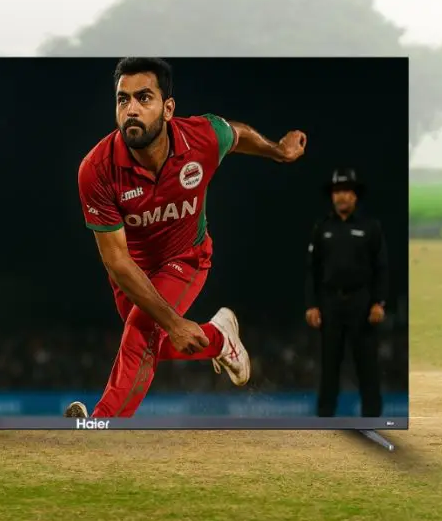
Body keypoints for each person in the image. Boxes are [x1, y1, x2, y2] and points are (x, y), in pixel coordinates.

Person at [65, 57, 308, 420]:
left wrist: (277, 151)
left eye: (143, 98)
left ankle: (102, 424)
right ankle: (220, 338)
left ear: (167, 108)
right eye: (122, 99)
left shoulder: (201, 137)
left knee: (140, 333)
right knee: (158, 342)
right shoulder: (96, 169)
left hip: (187, 257)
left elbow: (236, 134)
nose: (131, 109)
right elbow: (117, 262)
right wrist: (176, 324)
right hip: (133, 269)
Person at [304, 168, 388, 417]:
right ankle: (324, 423)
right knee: (329, 367)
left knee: (367, 367)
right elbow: (311, 270)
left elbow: (381, 268)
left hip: (362, 304)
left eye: (346, 191)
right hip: (330, 304)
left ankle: (374, 422)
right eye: (337, 191)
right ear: (332, 196)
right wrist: (311, 305)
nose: (341, 196)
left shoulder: (370, 227)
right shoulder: (322, 228)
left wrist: (379, 303)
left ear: (355, 196)